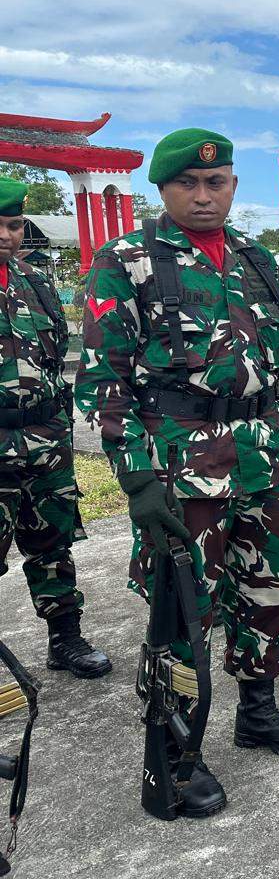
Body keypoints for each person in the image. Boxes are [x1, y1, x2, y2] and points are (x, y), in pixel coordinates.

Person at [77, 129, 279, 819]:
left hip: (260, 453)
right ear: (163, 190)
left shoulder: (253, 258)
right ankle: (177, 749)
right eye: (188, 183)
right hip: (181, 463)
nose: (204, 194)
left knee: (268, 585)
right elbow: (103, 375)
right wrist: (134, 478)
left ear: (233, 186)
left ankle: (259, 709)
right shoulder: (126, 260)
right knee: (186, 607)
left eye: (216, 183)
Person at [0, 176, 111, 680]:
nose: (7, 235)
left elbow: (52, 359)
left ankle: (64, 640)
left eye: (14, 224)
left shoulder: (35, 281)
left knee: (53, 542)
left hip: (44, 438)